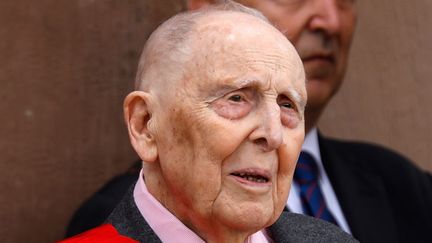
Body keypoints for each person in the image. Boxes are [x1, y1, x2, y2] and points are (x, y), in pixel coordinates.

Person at [67, 0, 432, 242]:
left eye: (288, 105)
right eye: (237, 98)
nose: (273, 135)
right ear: (146, 124)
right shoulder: (103, 227)